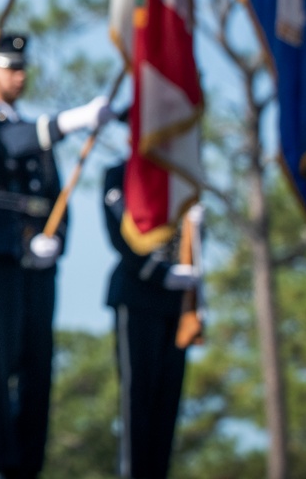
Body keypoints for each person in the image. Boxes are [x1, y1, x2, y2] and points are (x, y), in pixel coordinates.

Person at [0, 32, 115, 479]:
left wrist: (57, 238)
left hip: (36, 250)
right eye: (10, 67)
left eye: (22, 68)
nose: (20, 75)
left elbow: (56, 195)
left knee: (37, 356)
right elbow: (13, 141)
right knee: (1, 352)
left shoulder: (31, 127)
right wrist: (72, 120)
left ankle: (29, 461)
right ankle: (1, 461)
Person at [102, 158, 203, 479]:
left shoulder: (182, 176)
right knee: (138, 400)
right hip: (137, 294)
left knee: (167, 404)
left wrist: (196, 234)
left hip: (176, 304)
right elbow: (123, 236)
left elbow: (189, 244)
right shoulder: (119, 175)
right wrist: (160, 274)